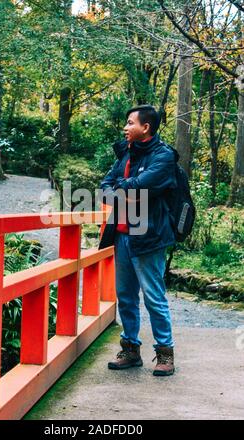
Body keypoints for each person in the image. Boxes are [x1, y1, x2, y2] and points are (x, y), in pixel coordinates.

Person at [99, 104, 178, 375]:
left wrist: (125, 190)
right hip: (122, 235)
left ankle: (165, 353)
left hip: (149, 236)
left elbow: (140, 186)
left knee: (154, 297)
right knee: (126, 296)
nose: (125, 127)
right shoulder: (125, 154)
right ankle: (130, 349)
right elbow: (104, 188)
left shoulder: (163, 156)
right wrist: (127, 191)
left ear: (146, 127)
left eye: (130, 122)